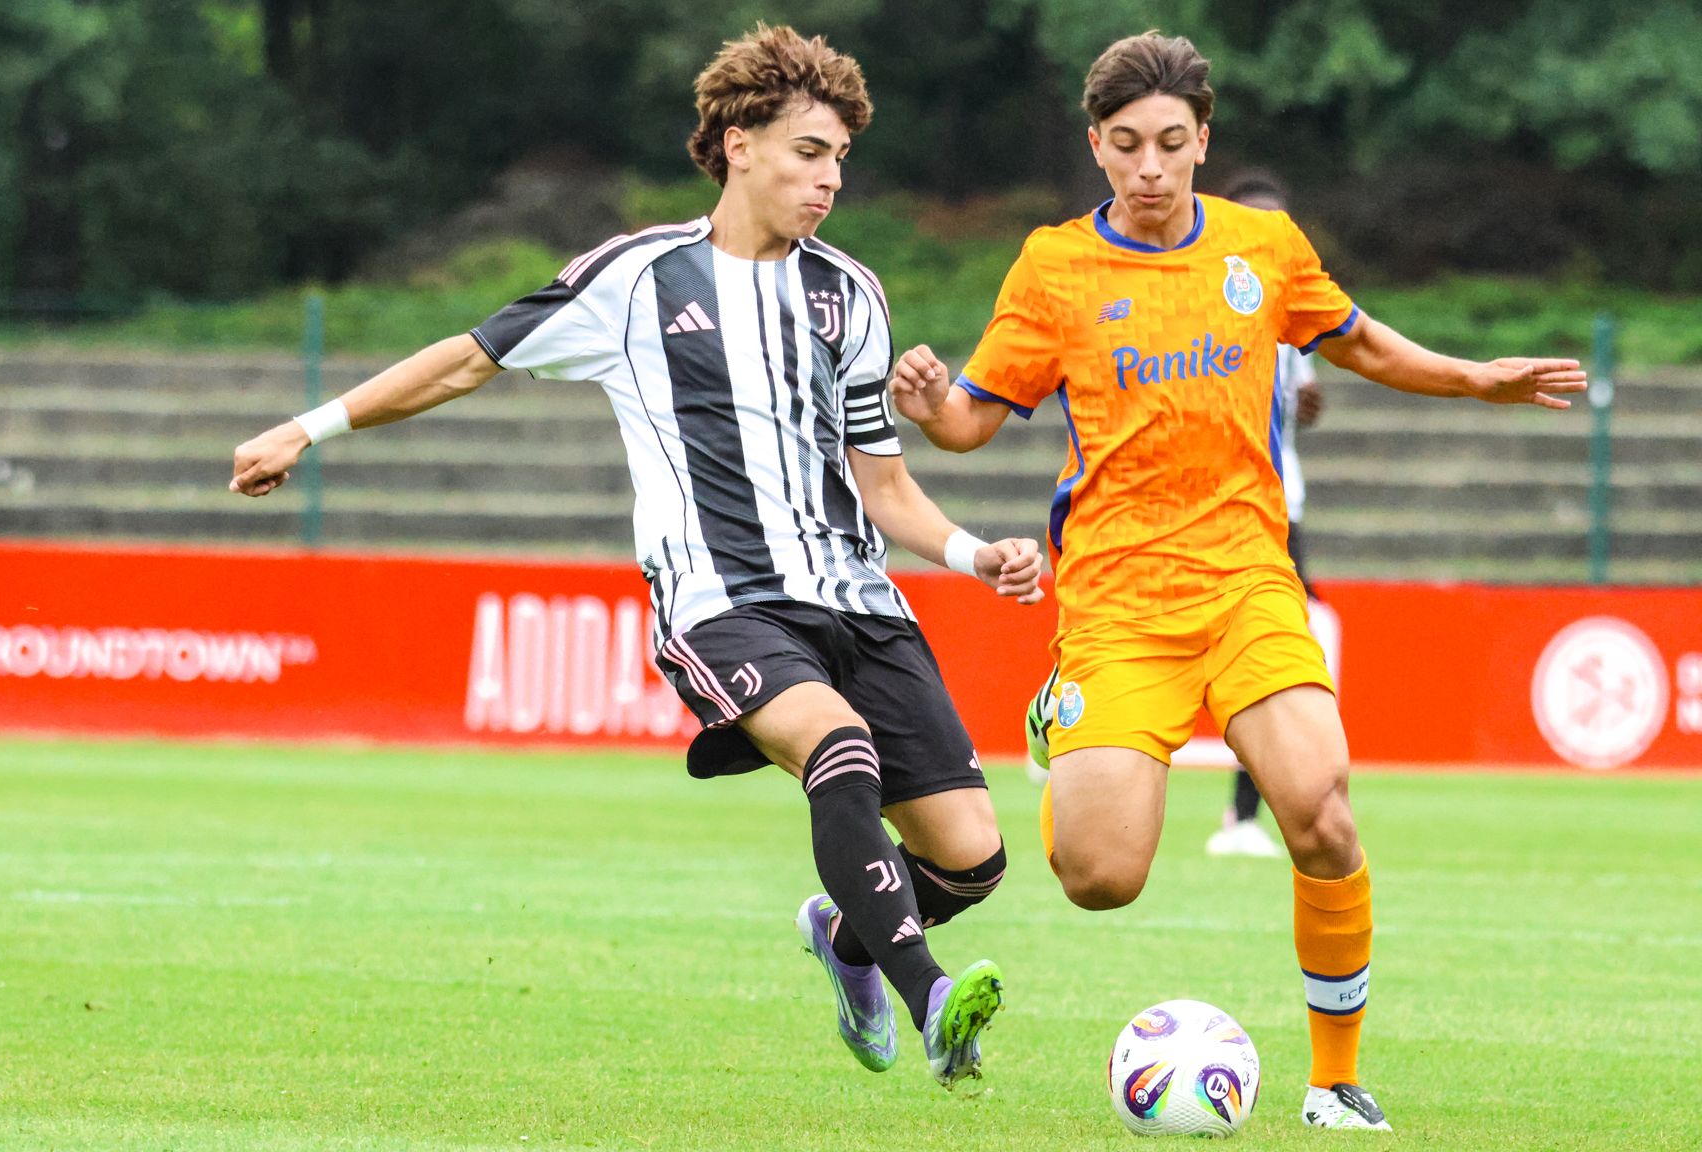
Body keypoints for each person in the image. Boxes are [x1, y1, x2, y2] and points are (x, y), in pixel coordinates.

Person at [230, 23, 1041, 1089]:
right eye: (809, 152)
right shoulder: (636, 278)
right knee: (837, 750)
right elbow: (464, 363)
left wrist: (974, 552)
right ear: (738, 141)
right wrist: (307, 428)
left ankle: (847, 940)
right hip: (723, 598)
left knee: (972, 857)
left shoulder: (852, 296)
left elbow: (883, 487)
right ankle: (932, 999)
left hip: (860, 600)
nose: (830, 178)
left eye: (841, 157)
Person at [887, 31, 1585, 1130]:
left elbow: (1354, 341)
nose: (1151, 167)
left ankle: (1336, 1079)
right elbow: (975, 421)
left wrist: (1472, 379)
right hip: (1118, 599)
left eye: (1171, 142)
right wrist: (933, 409)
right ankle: (1061, 721)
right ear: (1098, 149)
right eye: (1127, 147)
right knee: (1099, 877)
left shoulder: (1265, 246)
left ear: (1203, 140)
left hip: (1250, 578)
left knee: (1320, 811)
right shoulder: (1057, 266)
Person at [1023, 169, 1328, 863]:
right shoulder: (1153, 290)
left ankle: (1243, 814)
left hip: (1267, 517)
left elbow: (1311, 390)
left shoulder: (1284, 293)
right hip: (1148, 533)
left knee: (1273, 678)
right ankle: (1078, 720)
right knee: (1106, 866)